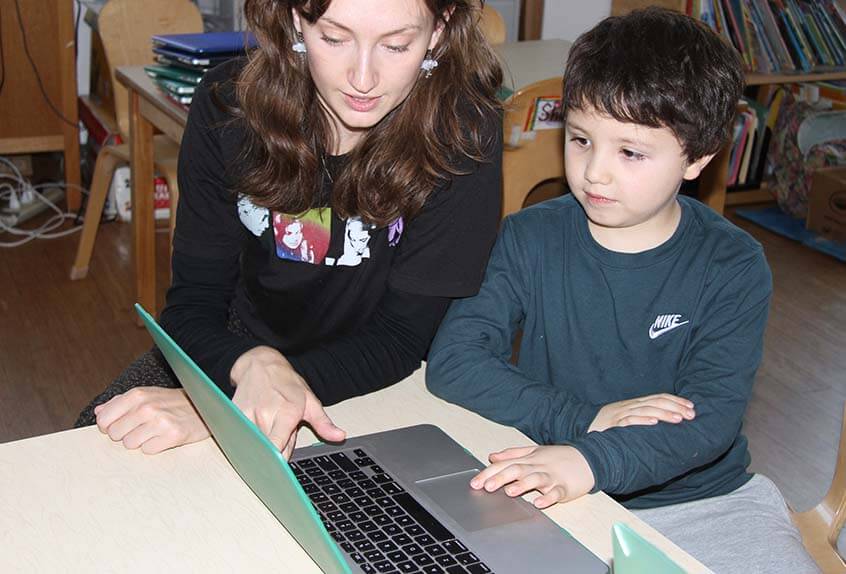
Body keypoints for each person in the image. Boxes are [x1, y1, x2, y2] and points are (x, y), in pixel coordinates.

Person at [425, 8, 819, 573]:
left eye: (630, 152)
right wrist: (586, 423)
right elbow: (454, 362)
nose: (594, 174)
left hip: (704, 502)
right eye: (581, 139)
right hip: (559, 481)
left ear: (699, 157)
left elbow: (709, 421)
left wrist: (591, 458)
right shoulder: (527, 237)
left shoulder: (732, 263)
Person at [76, 0, 503, 460]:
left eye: (397, 46)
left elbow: (401, 337)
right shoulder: (228, 107)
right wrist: (246, 369)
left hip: (380, 372)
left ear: (438, 30)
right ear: (298, 18)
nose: (363, 78)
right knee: (86, 447)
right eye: (334, 39)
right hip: (237, 345)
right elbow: (193, 303)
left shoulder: (464, 134)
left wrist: (226, 410)